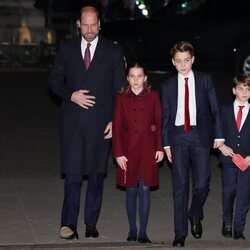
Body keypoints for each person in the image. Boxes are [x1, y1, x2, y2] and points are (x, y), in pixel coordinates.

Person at [48, 6, 126, 240]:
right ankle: (68, 224)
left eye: (94, 25)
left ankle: (91, 223)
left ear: (100, 24)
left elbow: (120, 91)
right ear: (78, 25)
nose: (90, 30)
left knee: (95, 175)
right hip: (73, 123)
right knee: (72, 175)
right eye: (86, 25)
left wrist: (115, 120)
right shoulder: (67, 49)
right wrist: (70, 94)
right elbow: (53, 80)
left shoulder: (113, 51)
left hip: (101, 124)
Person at [161, 41, 224, 247]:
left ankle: (194, 212)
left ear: (193, 59)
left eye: (186, 60)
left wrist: (219, 136)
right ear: (173, 62)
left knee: (203, 184)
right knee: (179, 187)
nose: (183, 65)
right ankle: (180, 233)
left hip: (200, 135)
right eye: (178, 61)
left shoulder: (205, 80)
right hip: (178, 137)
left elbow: (215, 109)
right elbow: (166, 116)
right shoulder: (168, 85)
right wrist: (166, 144)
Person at [112, 62, 164, 243]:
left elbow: (158, 124)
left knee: (145, 188)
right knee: (131, 189)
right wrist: (118, 153)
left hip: (148, 149)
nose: (136, 80)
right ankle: (132, 230)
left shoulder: (154, 96)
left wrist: (159, 147)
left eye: (139, 76)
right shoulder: (121, 98)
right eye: (132, 76)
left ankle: (143, 232)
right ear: (127, 78)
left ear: (145, 78)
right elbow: (117, 127)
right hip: (128, 150)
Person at [218, 74, 250, 240]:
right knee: (229, 190)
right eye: (240, 88)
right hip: (229, 158)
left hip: (247, 160)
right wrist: (221, 146)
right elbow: (216, 130)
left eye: (248, 89)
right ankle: (227, 221)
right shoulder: (224, 109)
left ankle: (239, 227)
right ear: (233, 90)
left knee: (244, 194)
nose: (244, 92)